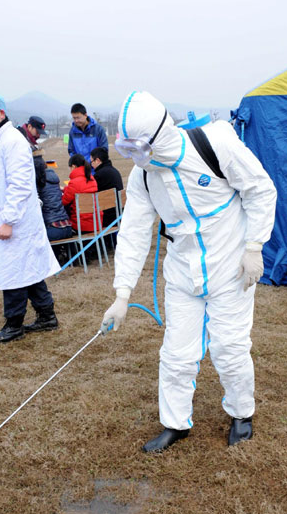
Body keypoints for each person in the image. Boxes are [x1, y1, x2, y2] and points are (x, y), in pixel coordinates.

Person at [101, 91, 277, 453]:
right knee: (176, 354)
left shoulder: (216, 144)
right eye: (127, 150)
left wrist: (254, 247)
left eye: (140, 149)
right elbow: (133, 232)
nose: (136, 159)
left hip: (231, 270)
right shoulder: (143, 177)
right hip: (182, 275)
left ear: (160, 135)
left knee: (230, 348)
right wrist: (122, 295)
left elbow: (260, 190)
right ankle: (175, 423)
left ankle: (241, 414)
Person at [0, 92, 61, 342]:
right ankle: (47, 316)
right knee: (28, 269)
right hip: (8, 216)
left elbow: (20, 186)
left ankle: (13, 324)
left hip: (18, 219)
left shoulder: (12, 140)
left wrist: (7, 221)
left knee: (12, 270)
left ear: (1, 114)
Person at [38, 167, 73, 262]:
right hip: (67, 226)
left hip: (53, 229)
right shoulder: (55, 182)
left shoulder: (38, 183)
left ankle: (52, 260)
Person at [62, 154, 101, 233]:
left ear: (73, 166)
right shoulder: (91, 178)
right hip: (97, 222)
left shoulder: (74, 182)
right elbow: (81, 189)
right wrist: (66, 189)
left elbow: (63, 201)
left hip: (81, 224)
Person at [90, 147, 123, 228]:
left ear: (97, 160)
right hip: (120, 213)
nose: (91, 165)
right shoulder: (114, 171)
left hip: (109, 217)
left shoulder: (100, 175)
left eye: (91, 162)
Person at [17, 115, 48, 191]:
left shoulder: (31, 141)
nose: (39, 135)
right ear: (30, 127)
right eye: (37, 131)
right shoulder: (19, 138)